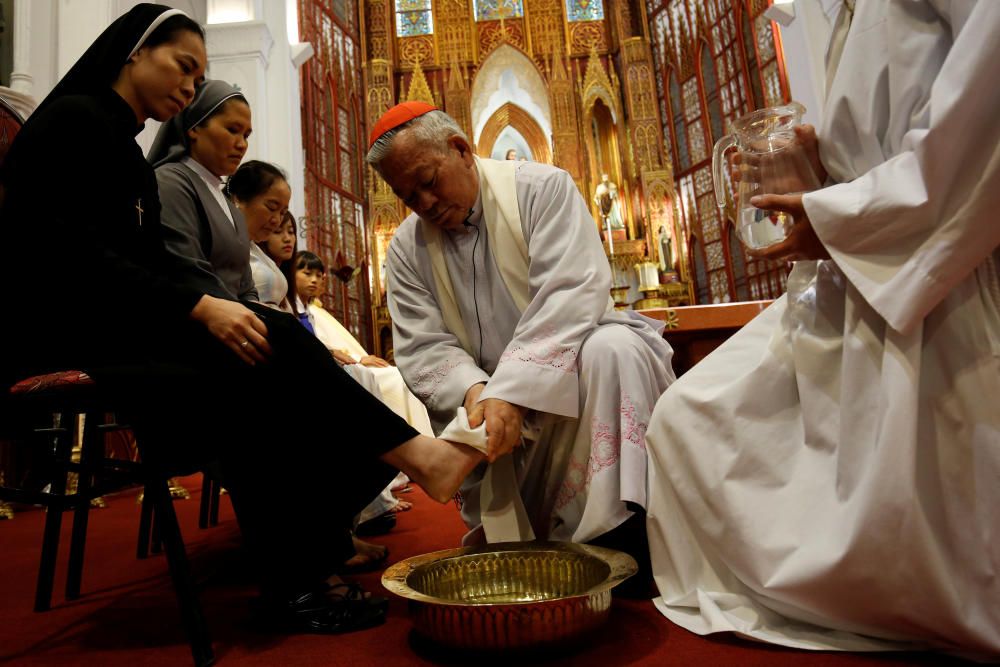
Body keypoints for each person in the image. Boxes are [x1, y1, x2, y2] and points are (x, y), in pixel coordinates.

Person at [0, 4, 483, 634]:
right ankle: (324, 548)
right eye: (183, 66)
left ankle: (312, 556)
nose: (189, 86)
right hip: (63, 330)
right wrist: (199, 308)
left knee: (264, 351)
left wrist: (202, 309)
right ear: (134, 53)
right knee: (262, 356)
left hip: (117, 324)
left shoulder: (120, 144)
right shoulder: (76, 123)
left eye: (199, 77)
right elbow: (68, 255)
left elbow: (143, 267)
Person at [644, 0, 1000, 659]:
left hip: (940, 273)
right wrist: (822, 168)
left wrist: (840, 217)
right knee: (681, 420)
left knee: (906, 520)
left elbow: (983, 109)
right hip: (859, 268)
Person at [366, 102, 675, 546]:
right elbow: (425, 345)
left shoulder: (542, 189)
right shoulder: (405, 250)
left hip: (574, 378)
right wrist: (478, 392)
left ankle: (623, 532)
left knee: (614, 349)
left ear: (460, 149)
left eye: (428, 182)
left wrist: (513, 389)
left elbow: (569, 292)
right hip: (491, 409)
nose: (425, 204)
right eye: (408, 197)